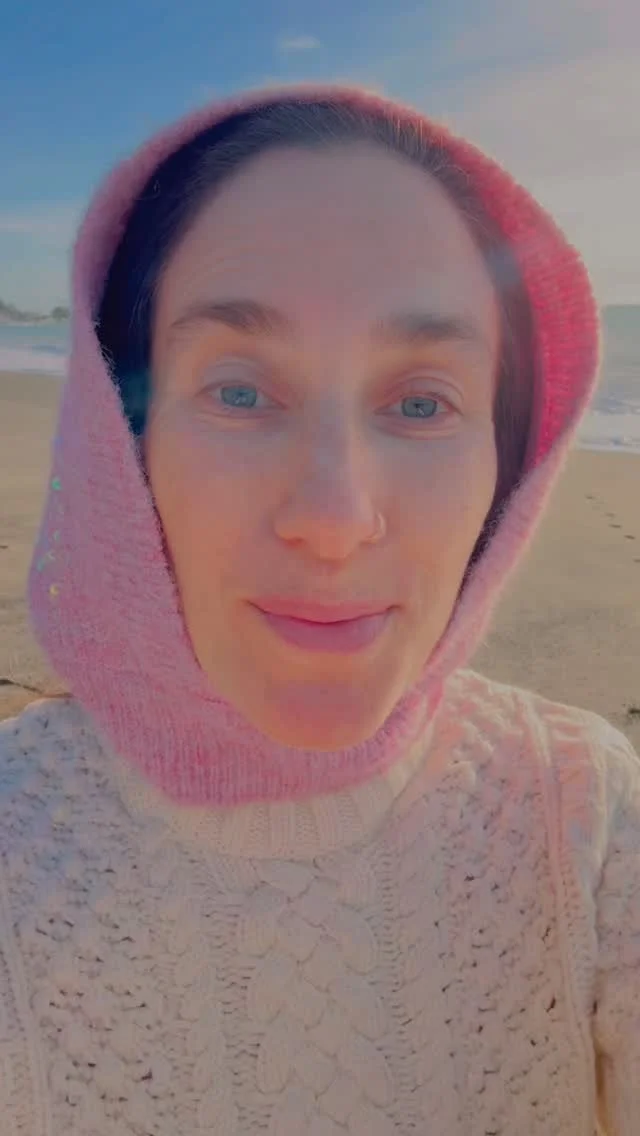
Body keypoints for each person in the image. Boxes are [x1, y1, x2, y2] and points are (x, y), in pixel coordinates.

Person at [1, 85, 638, 1136]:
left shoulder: (585, 814)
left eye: (421, 401)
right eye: (239, 392)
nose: (335, 521)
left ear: (508, 457)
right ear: (121, 439)